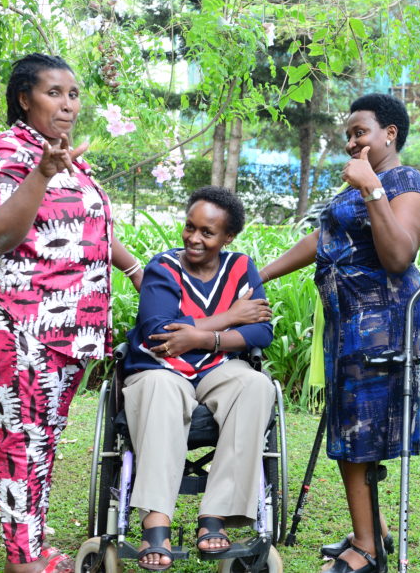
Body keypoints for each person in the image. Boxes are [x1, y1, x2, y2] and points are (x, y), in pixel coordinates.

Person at [0, 53, 143, 573]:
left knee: (42, 438)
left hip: (66, 327)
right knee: (17, 438)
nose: (68, 104)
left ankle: (30, 543)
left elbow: (90, 230)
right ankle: (24, 560)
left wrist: (136, 269)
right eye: (54, 93)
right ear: (24, 98)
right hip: (13, 323)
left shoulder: (64, 157)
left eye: (73, 94)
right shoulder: (5, 153)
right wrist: (40, 173)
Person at [260, 93, 420, 573]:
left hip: (382, 321)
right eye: (349, 135)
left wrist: (372, 188)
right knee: (349, 424)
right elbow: (325, 240)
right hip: (347, 317)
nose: (352, 142)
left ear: (389, 134)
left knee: (359, 430)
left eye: (360, 133)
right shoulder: (356, 186)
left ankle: (367, 549)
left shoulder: (406, 182)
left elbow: (400, 256)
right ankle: (372, 531)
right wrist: (261, 274)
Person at [121, 185, 275, 571]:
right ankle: (156, 522)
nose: (194, 238)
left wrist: (200, 336)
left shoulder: (241, 267)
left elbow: (261, 332)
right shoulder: (163, 267)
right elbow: (159, 332)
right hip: (160, 368)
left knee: (256, 385)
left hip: (218, 368)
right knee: (159, 387)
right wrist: (229, 317)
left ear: (227, 237)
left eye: (207, 232)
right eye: (190, 227)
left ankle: (215, 516)